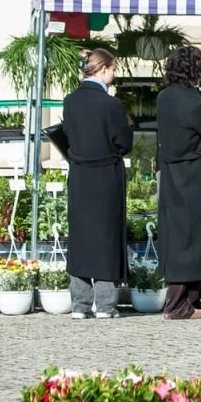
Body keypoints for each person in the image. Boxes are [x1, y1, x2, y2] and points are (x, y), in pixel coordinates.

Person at [155, 45, 201, 320]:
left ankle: (191, 300)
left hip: (171, 171)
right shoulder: (195, 102)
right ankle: (176, 305)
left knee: (179, 234)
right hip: (194, 173)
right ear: (195, 70)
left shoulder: (163, 98)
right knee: (194, 236)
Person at [60, 47, 132, 318]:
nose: (114, 74)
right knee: (106, 236)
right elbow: (124, 142)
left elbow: (68, 135)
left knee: (80, 236)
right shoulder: (111, 104)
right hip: (106, 175)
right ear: (103, 69)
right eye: (113, 69)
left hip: (79, 174)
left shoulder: (70, 101)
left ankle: (79, 304)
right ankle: (104, 304)